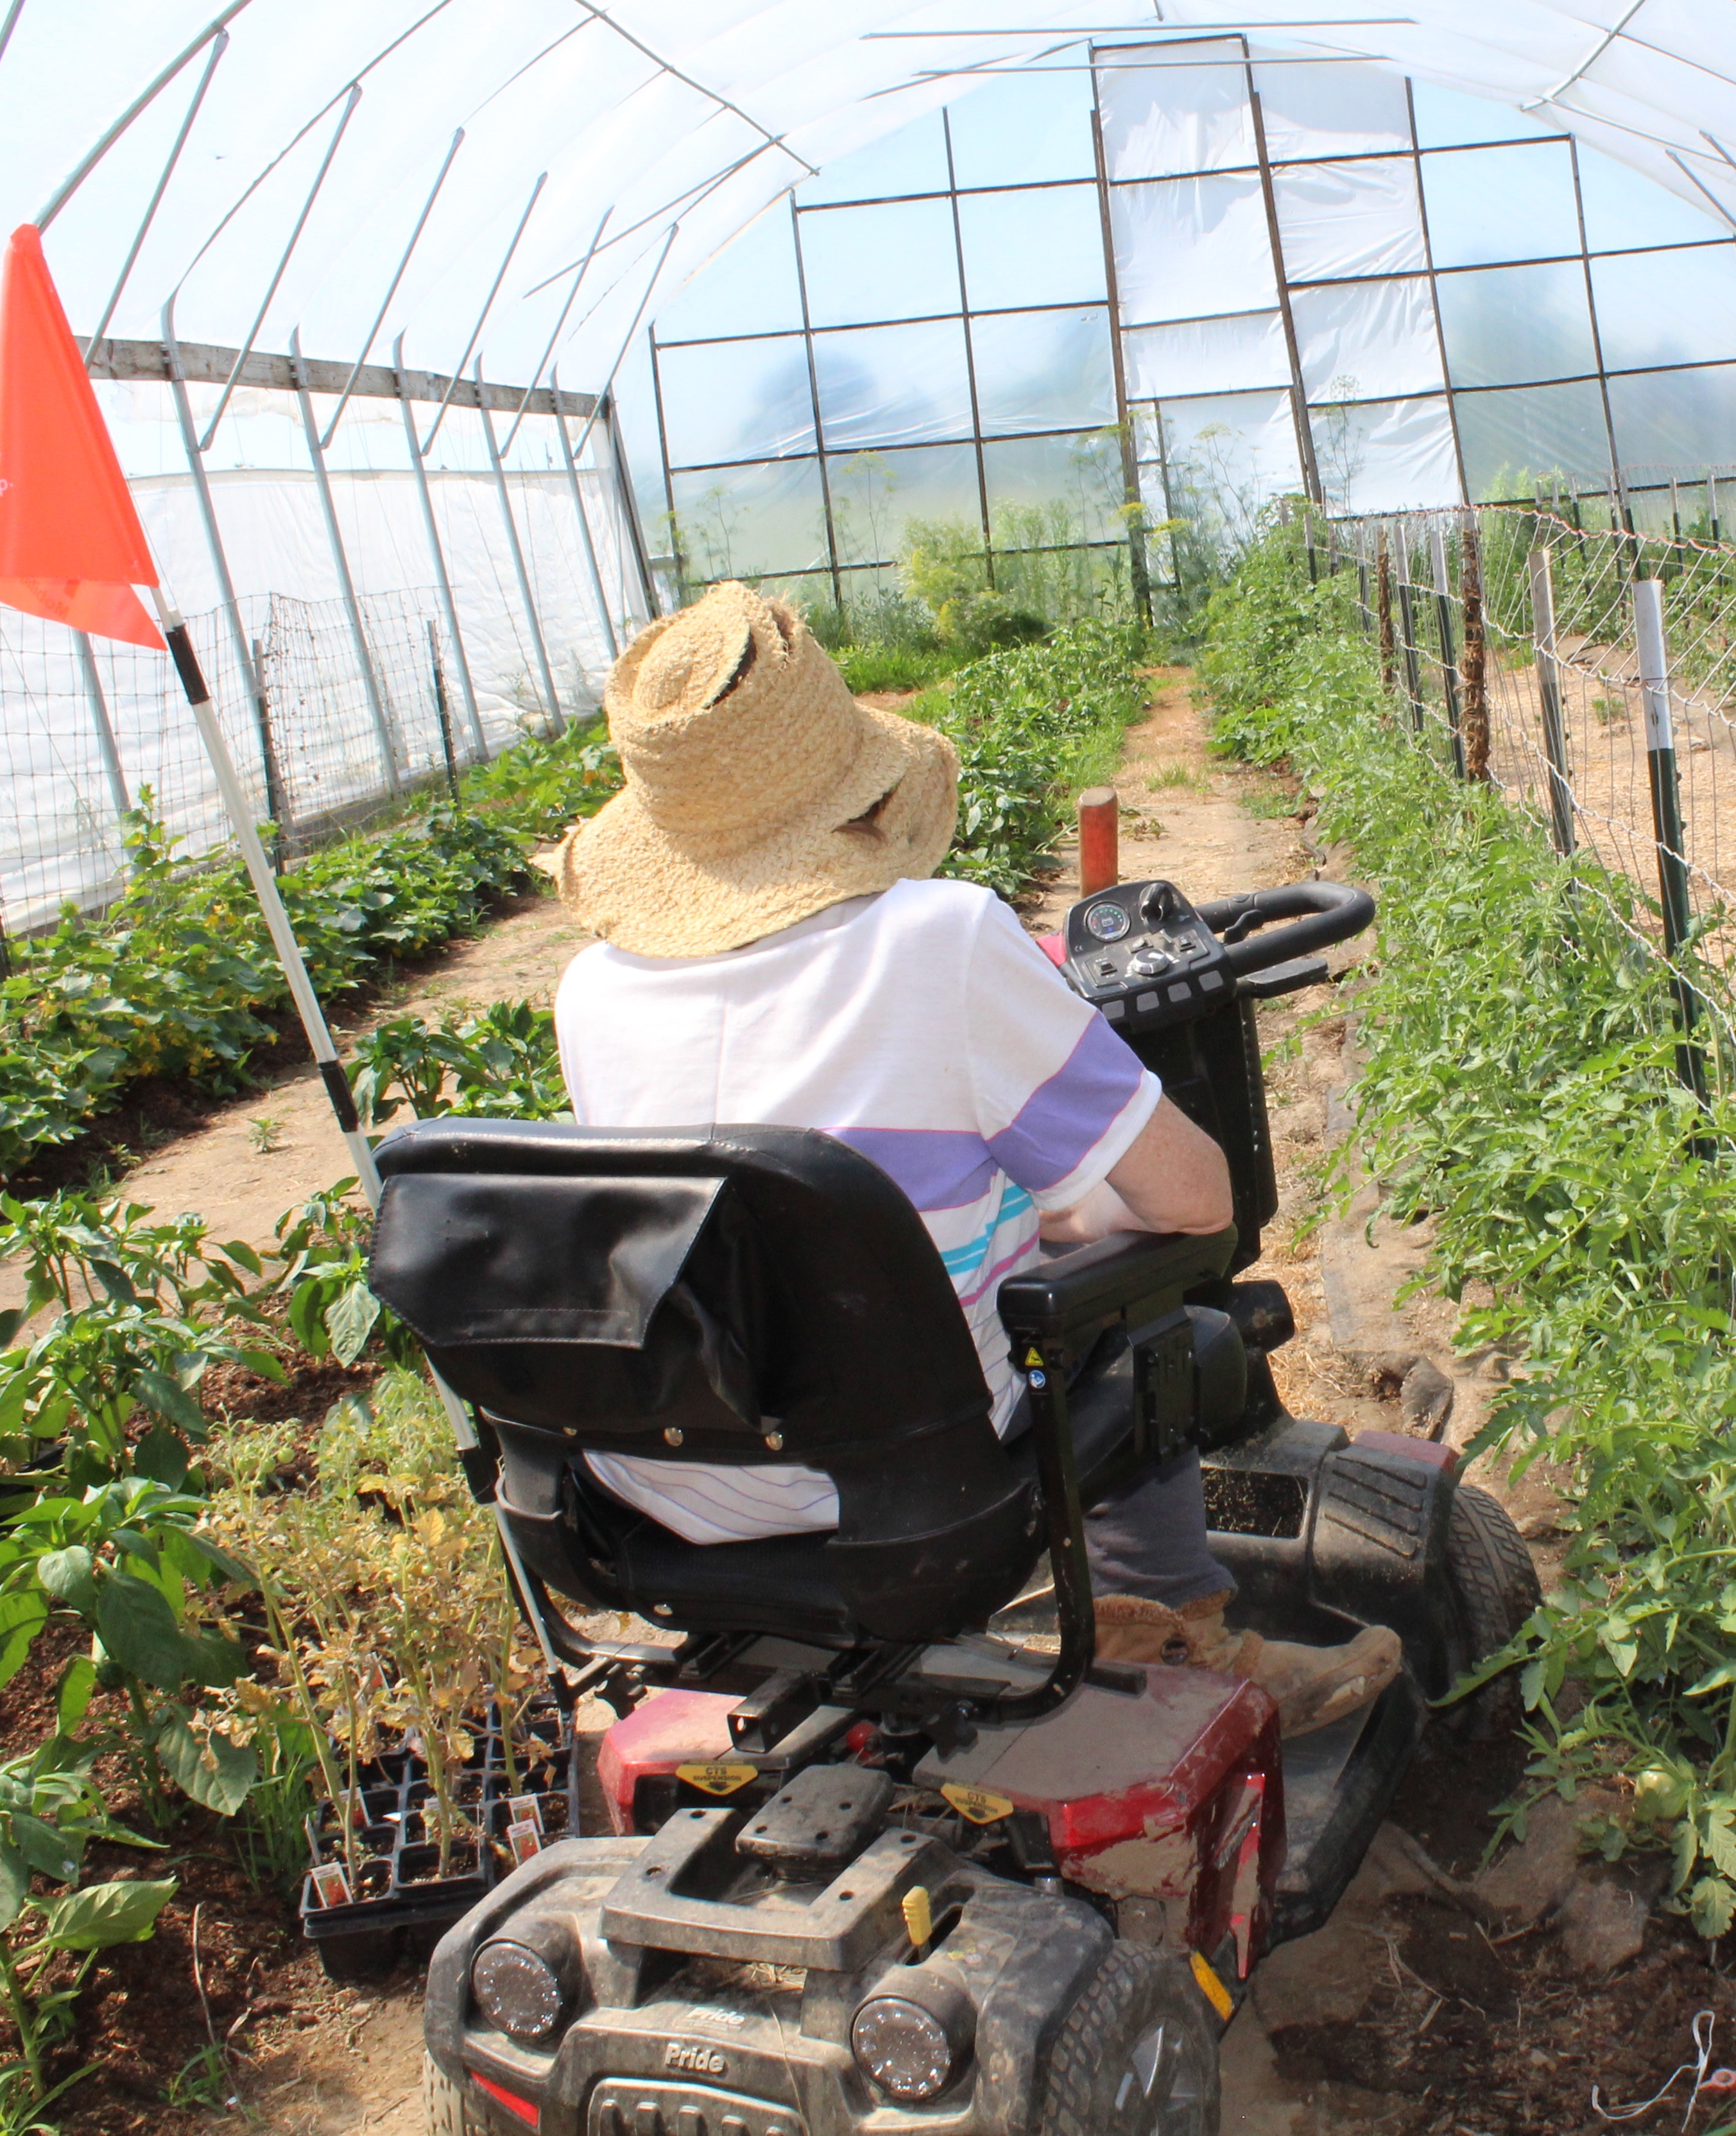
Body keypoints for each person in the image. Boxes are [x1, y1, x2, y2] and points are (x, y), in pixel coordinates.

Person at [543, 581, 1400, 1734]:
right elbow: (1200, 1199)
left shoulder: (591, 991)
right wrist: (1066, 1216)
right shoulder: (938, 939)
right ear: (852, 787)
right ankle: (1172, 1628)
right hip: (908, 1482)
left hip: (663, 1483)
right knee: (1151, 1308)